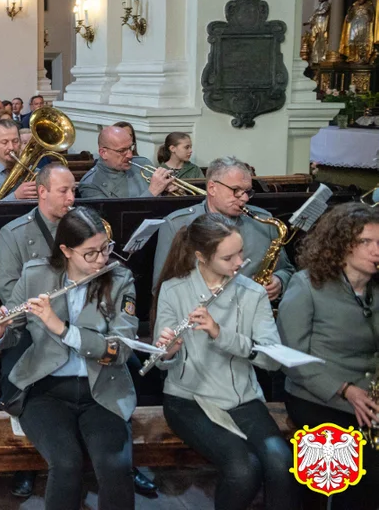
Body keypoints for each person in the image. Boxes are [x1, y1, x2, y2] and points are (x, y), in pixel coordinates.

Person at [0, 206, 137, 510]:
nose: (102, 259)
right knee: (66, 464)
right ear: (66, 250)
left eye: (105, 248)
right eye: (90, 253)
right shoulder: (36, 274)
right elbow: (11, 333)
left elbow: (121, 349)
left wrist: (62, 329)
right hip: (46, 390)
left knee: (115, 466)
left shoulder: (120, 279)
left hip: (103, 391)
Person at [151, 214, 297, 510]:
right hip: (188, 399)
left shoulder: (253, 293)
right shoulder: (174, 289)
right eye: (228, 257)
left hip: (242, 398)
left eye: (241, 252)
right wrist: (168, 351)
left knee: (282, 464)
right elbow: (161, 361)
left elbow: (271, 359)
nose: (239, 262)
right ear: (201, 257)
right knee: (243, 469)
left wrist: (220, 333)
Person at [277, 202, 379, 509]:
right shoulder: (307, 284)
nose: (377, 250)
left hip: (370, 396)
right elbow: (291, 357)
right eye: (367, 242)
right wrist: (346, 391)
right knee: (345, 473)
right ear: (342, 245)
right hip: (318, 396)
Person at [0, 163, 76, 499]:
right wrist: (47, 308)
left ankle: (122, 460)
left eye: (74, 190)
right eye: (64, 191)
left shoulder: (83, 226)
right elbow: (8, 287)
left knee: (121, 371)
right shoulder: (14, 232)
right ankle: (24, 463)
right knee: (17, 375)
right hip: (31, 324)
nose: (72, 198)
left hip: (76, 323)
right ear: (42, 192)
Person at [152, 156, 293, 299]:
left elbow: (287, 270)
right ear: (212, 188)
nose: (244, 198)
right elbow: (161, 287)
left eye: (248, 191)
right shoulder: (177, 224)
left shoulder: (264, 221)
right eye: (236, 190)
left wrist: (279, 281)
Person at [76, 125, 173, 199]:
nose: (130, 155)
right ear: (103, 153)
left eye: (130, 148)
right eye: (122, 151)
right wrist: (152, 192)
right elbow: (113, 221)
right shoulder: (91, 184)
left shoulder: (143, 163)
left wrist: (167, 192)